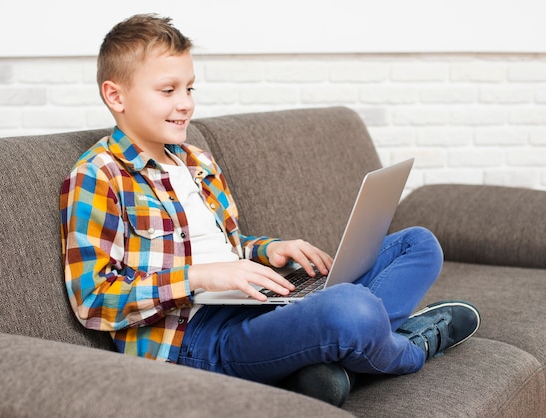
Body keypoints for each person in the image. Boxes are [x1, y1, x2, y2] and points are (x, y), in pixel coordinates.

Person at [60, 14, 480, 407]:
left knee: (418, 245)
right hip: (191, 337)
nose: (185, 103)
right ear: (115, 95)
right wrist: (197, 278)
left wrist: (269, 250)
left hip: (252, 304)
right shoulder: (99, 176)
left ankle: (333, 360)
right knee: (352, 307)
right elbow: (93, 300)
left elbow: (228, 249)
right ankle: (410, 347)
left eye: (189, 88)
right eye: (168, 91)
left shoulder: (196, 160)